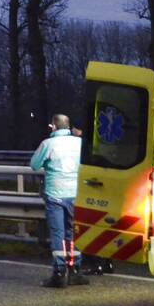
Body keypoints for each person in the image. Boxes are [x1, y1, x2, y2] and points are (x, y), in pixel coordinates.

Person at [30, 114, 88, 288]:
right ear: (68, 126)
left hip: (55, 195)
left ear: (54, 127)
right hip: (76, 194)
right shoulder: (80, 143)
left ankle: (59, 272)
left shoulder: (48, 144)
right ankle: (75, 270)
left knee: (58, 234)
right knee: (73, 232)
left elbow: (34, 165)